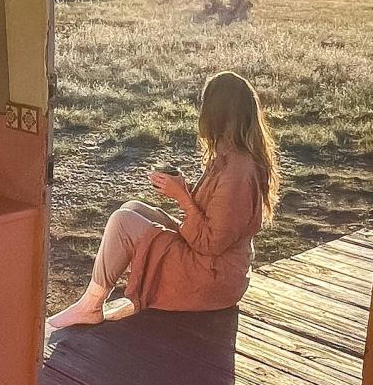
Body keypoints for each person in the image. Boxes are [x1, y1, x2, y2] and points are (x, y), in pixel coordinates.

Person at [48, 71, 279, 328]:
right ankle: (100, 301)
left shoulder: (238, 171)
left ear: (217, 114)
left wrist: (182, 197)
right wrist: (183, 188)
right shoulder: (229, 157)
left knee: (123, 221)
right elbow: (216, 213)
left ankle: (90, 306)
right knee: (132, 209)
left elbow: (210, 243)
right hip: (210, 266)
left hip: (213, 279)